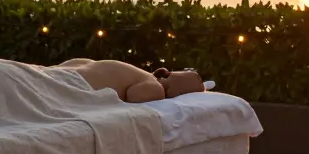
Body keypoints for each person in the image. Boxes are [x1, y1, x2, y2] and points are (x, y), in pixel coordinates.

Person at [56, 58, 207, 102]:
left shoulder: (143, 75)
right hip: (73, 81)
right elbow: (134, 96)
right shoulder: (155, 87)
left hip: (68, 70)